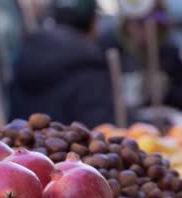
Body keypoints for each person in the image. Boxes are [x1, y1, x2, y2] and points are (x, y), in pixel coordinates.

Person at [10, 0, 114, 128]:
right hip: (68, 148)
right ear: (93, 22)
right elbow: (101, 129)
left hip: (17, 146)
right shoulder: (90, 65)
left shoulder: (26, 53)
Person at [98, 0, 182, 111]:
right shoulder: (108, 48)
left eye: (156, 24)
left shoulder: (168, 52)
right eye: (140, 23)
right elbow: (95, 96)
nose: (146, 30)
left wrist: (167, 90)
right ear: (127, 22)